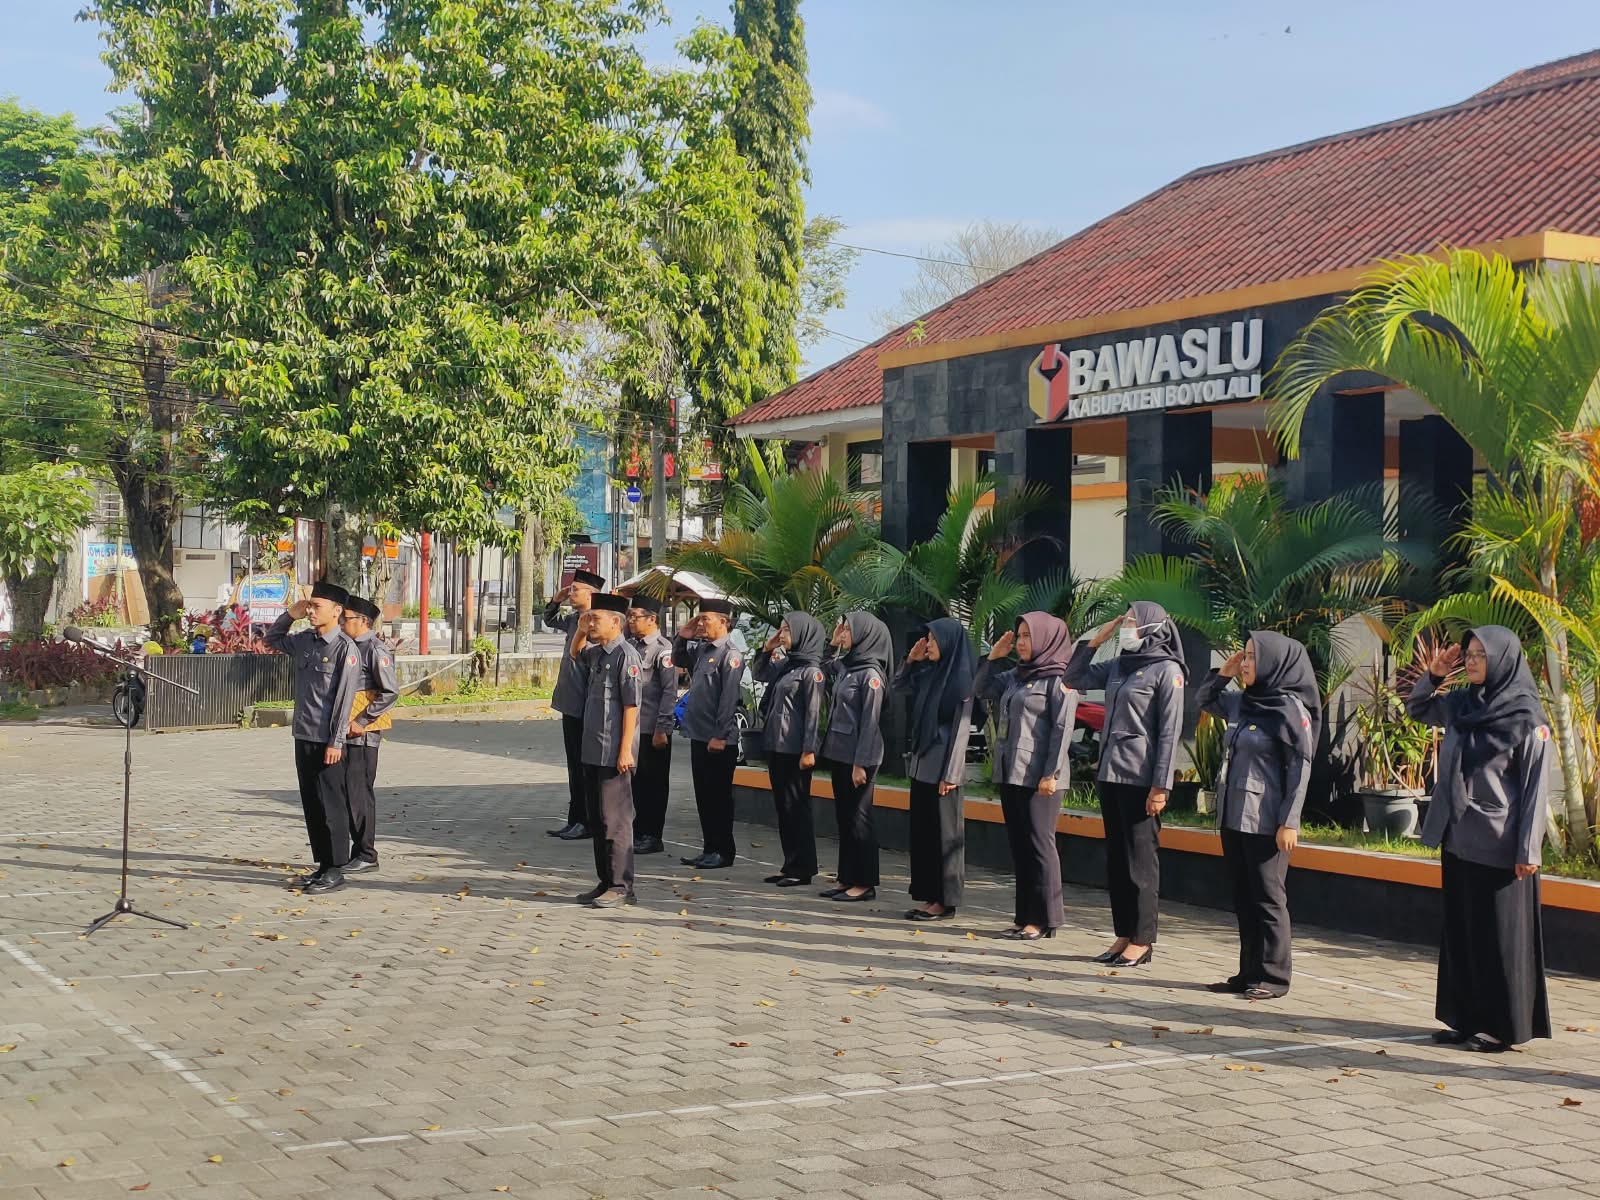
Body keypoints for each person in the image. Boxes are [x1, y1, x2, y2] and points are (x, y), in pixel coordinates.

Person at [1409, 627, 1553, 1052]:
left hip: (1499, 844)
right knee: (1461, 932)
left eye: (1480, 655)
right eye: (1468, 654)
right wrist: (1434, 676)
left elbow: (1535, 788)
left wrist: (1528, 849)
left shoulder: (1527, 717)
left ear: (1503, 660)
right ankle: (1464, 1017)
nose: (1471, 661)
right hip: (1457, 835)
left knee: (1497, 938)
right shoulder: (1461, 704)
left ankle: (1499, 1026)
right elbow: (1418, 709)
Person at [1197, 632, 1320, 999]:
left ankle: (1274, 977)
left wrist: (1289, 821)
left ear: (1274, 663)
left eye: (1253, 657)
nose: (1246, 663)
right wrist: (1223, 673)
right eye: (1246, 656)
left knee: (1268, 898)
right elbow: (1205, 700)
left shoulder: (1290, 709)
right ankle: (1249, 972)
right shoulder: (1243, 702)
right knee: (1244, 896)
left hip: (1267, 819)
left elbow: (1300, 767)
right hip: (1233, 815)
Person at [1066, 601, 1186, 967]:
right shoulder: (1119, 665)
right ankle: (1124, 933)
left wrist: (1161, 785)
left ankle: (1142, 940)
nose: (1126, 628)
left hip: (1141, 777)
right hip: (1111, 773)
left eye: (1133, 621)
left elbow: (1169, 732)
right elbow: (1073, 678)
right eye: (1126, 621)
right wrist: (1093, 642)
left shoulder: (1167, 670)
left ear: (1152, 627)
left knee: (1140, 862)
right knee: (1118, 861)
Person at [975, 612, 1078, 940]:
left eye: (1027, 636)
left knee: (1039, 845)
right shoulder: (1016, 676)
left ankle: (1045, 918)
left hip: (1041, 778)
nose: (1021, 642)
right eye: (1019, 636)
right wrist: (992, 659)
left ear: (1047, 639)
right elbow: (980, 690)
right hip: (1012, 771)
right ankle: (1024, 917)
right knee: (1020, 846)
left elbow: (1062, 729)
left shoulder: (1059, 679)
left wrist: (1051, 773)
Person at [264, 581, 361, 895]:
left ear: (336, 611)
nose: (311, 612)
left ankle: (336, 869)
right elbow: (271, 639)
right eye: (310, 606)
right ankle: (322, 865)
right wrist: (290, 615)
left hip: (327, 739)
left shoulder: (345, 649)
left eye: (317, 606)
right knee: (312, 803)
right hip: (304, 733)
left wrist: (336, 741)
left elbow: (344, 700)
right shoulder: (305, 640)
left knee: (331, 804)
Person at [897, 617, 976, 922]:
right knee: (925, 834)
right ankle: (930, 895)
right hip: (923, 764)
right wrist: (910, 662)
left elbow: (961, 729)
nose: (928, 644)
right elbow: (898, 687)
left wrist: (952, 774)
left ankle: (946, 901)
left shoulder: (961, 680)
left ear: (947, 642)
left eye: (932, 639)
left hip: (944, 768)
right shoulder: (929, 673)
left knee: (945, 835)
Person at [569, 593, 642, 908]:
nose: (591, 623)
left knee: (616, 821)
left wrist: (626, 750)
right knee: (598, 820)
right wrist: (581, 628)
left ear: (615, 621)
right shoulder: (598, 654)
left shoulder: (627, 656)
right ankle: (605, 881)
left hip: (614, 751)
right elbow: (575, 653)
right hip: (592, 748)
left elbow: (631, 707)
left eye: (595, 618)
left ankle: (622, 886)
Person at [819, 612, 890, 902]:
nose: (844, 633)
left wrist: (860, 763)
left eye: (848, 629)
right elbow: (823, 670)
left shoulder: (871, 675)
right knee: (845, 817)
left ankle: (864, 882)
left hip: (860, 757)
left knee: (860, 818)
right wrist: (832, 644)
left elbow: (870, 722)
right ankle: (846, 877)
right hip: (839, 752)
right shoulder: (849, 666)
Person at [752, 612, 827, 887]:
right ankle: (790, 864)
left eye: (787, 630)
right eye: (782, 630)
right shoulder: (788, 665)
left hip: (795, 749)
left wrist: (809, 749)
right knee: (783, 807)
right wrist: (766, 649)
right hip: (777, 744)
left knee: (797, 807)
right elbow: (759, 674)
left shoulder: (812, 671)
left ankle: (803, 867)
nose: (782, 635)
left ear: (803, 634)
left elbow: (813, 714)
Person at [675, 599, 744, 868]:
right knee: (704, 796)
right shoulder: (703, 649)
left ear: (724, 622)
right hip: (699, 734)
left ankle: (723, 851)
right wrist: (684, 635)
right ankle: (709, 848)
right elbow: (678, 659)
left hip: (718, 739)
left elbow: (728, 699)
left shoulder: (730, 655)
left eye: (706, 619)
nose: (701, 623)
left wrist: (720, 735)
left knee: (719, 799)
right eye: (699, 618)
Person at [339, 595, 401, 875]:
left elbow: (390, 692)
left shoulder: (375, 649)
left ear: (363, 621)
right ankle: (355, 851)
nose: (342, 622)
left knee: (359, 793)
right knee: (347, 792)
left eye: (347, 618)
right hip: (343, 730)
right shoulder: (347, 646)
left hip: (362, 734)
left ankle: (366, 853)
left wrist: (362, 720)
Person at [545, 569, 605, 840]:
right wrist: (556, 600)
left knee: (585, 766)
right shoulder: (574, 619)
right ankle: (575, 818)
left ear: (591, 594)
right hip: (570, 701)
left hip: (587, 702)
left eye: (575, 589)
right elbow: (550, 620)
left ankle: (588, 820)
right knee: (573, 764)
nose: (571, 593)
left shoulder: (597, 623)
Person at [625, 595, 676, 855]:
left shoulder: (662, 650)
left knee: (654, 785)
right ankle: (640, 829)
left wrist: (662, 728)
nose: (630, 621)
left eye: (635, 617)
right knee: (637, 783)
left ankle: (653, 835)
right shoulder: (632, 646)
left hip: (653, 728)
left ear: (652, 619)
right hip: (634, 729)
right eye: (629, 616)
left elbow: (669, 692)